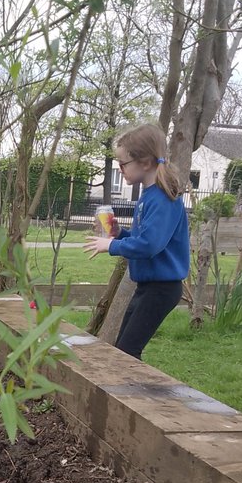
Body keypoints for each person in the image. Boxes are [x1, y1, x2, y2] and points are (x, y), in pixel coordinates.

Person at [84, 123, 190, 360]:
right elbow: (143, 240)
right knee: (125, 351)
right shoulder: (148, 196)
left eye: (123, 164)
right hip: (148, 287)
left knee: (127, 352)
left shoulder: (163, 198)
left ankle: (141, 395)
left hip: (162, 289)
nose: (120, 169)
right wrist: (119, 234)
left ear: (145, 162)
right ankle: (131, 393)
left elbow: (150, 246)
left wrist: (110, 246)